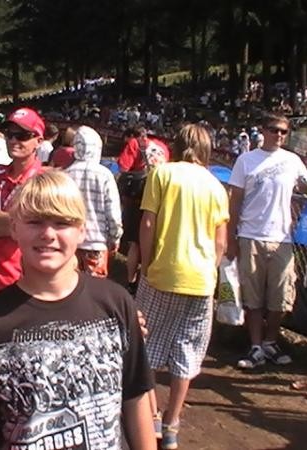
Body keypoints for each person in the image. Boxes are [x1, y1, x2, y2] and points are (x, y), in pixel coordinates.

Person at [0, 170, 156, 450]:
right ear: (14, 228)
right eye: (35, 222)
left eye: (62, 223)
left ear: (81, 231)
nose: (48, 234)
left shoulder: (116, 303)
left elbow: (136, 397)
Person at [136, 124, 229, 449]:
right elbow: (220, 242)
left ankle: (150, 416)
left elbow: (148, 223)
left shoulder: (162, 174)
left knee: (145, 347)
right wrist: (209, 270)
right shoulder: (216, 186)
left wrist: (146, 264)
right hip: (201, 280)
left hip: (162, 273)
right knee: (187, 353)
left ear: (176, 145)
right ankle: (172, 423)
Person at [227, 113, 307, 369]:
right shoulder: (246, 160)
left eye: (284, 131)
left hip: (282, 238)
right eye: (274, 129)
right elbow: (235, 201)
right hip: (250, 235)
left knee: (281, 296)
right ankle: (255, 345)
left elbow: (305, 186)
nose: (279, 135)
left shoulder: (292, 160)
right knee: (252, 297)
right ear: (263, 130)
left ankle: (271, 341)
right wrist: (231, 237)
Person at [0, 107, 46, 296]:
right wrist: (11, 225)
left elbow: (35, 231)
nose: (14, 140)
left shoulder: (44, 181)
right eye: (9, 135)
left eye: (22, 135)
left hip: (23, 284)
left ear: (38, 141)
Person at [118, 126, 170, 294]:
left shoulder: (134, 143)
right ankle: (148, 280)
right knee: (154, 240)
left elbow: (123, 167)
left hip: (138, 198)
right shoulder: (162, 147)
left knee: (135, 243)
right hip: (160, 196)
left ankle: (131, 281)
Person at [65, 125, 122, 278]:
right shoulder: (104, 174)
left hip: (71, 241)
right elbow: (113, 212)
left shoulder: (66, 174)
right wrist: (115, 237)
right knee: (95, 288)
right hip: (96, 242)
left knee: (70, 285)